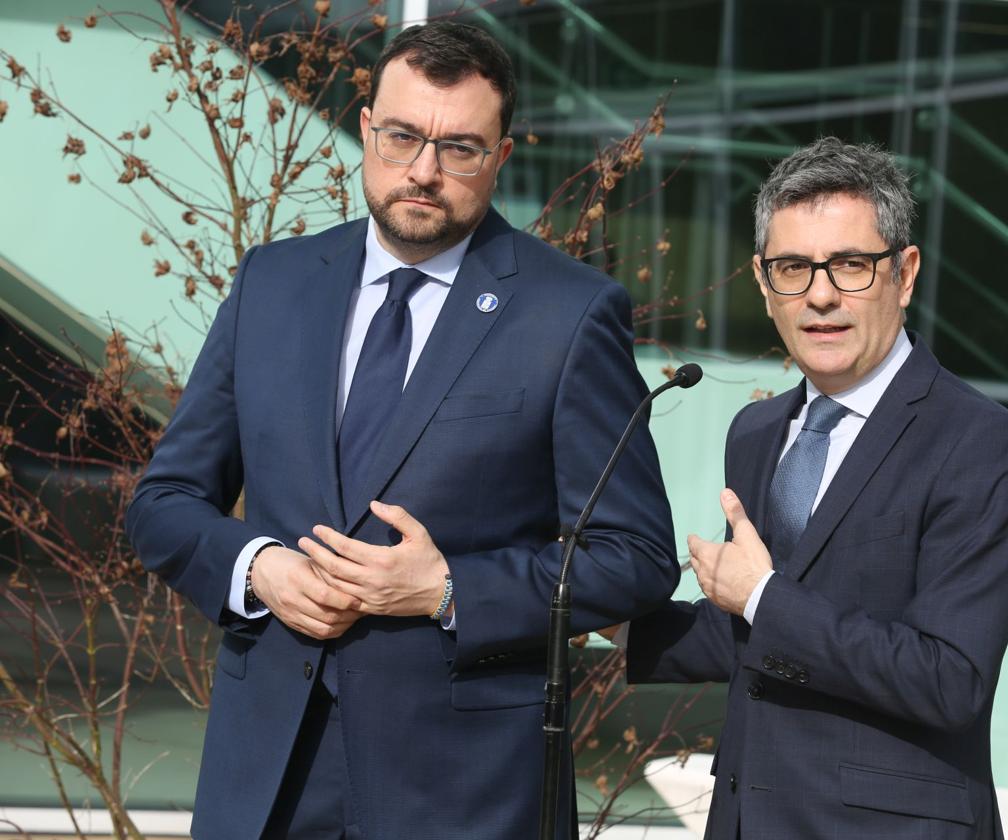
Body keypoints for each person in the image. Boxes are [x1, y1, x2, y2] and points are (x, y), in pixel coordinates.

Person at [125, 21, 678, 840]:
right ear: (365, 131)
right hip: (268, 776)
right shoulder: (271, 284)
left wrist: (450, 588)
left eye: (459, 148)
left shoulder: (569, 314)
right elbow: (164, 501)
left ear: (501, 157)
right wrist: (258, 566)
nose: (423, 171)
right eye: (403, 137)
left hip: (465, 792)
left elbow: (634, 559)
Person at [614, 138, 1008, 839]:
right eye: (792, 268)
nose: (819, 294)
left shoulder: (979, 443)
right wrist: (616, 620)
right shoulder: (755, 433)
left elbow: (949, 678)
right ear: (762, 280)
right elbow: (753, 639)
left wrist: (759, 593)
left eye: (850, 265)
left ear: (904, 274)